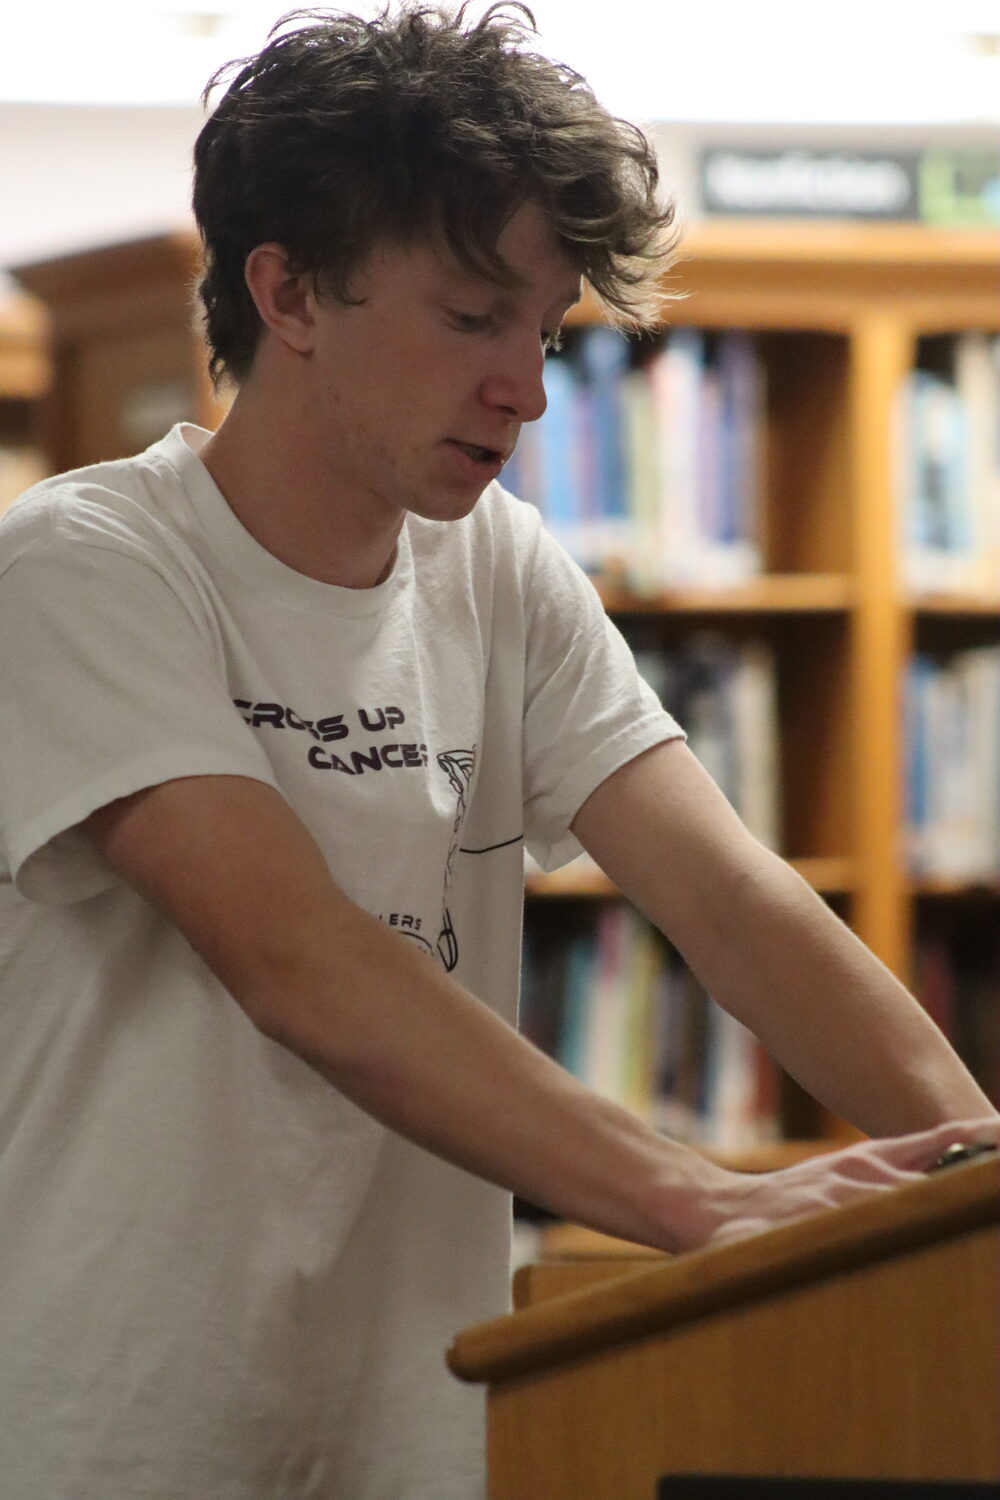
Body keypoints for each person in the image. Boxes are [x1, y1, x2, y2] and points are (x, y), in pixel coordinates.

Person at [0, 4, 997, 1496]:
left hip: (430, 1425)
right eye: (473, 319)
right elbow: (298, 962)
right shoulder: (82, 570)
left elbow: (727, 898)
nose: (527, 389)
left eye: (544, 332)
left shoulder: (502, 573)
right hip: (119, 1430)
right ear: (289, 293)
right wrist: (692, 1199)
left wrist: (973, 1175)